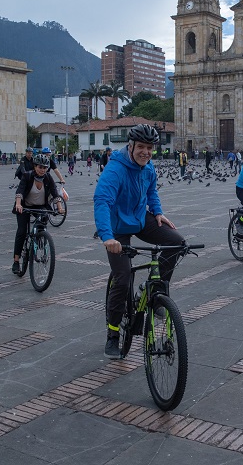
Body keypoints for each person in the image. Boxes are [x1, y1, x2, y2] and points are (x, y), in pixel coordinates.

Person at [94, 124, 184, 359]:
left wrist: (157, 211)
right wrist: (107, 236)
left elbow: (152, 190)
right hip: (117, 229)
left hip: (139, 219)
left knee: (177, 242)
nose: (146, 152)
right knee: (123, 279)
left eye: (150, 148)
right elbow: (102, 200)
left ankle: (155, 289)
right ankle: (113, 335)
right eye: (141, 147)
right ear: (131, 146)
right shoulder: (115, 169)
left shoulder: (148, 167)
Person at [12, 153, 64, 274]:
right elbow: (19, 191)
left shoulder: (48, 178)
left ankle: (40, 238)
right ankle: (16, 261)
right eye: (40, 167)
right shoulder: (27, 176)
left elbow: (55, 194)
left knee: (44, 218)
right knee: (21, 232)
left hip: (40, 206)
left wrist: (59, 208)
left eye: (45, 167)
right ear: (35, 166)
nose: (42, 170)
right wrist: (18, 204)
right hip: (24, 206)